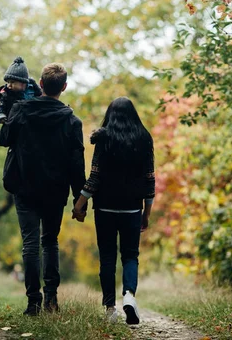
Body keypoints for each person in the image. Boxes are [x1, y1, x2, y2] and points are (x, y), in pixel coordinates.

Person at [0, 62, 86, 316]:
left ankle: (33, 302)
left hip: (24, 187)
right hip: (55, 191)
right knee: (50, 243)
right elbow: (77, 165)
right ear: (64, 87)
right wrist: (80, 198)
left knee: (30, 244)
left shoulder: (21, 110)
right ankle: (51, 300)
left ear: (41, 84)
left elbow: (3, 139)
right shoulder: (71, 120)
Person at [73, 97, 155, 325]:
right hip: (131, 209)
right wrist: (146, 214)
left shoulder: (104, 138)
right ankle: (129, 295)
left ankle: (110, 307)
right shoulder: (144, 138)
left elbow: (95, 177)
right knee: (130, 256)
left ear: (110, 115)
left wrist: (80, 202)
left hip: (105, 208)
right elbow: (150, 180)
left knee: (107, 256)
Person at [0, 57, 42, 124]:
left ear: (23, 83)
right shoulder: (6, 94)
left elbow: (40, 99)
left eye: (12, 82)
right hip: (15, 121)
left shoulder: (33, 89)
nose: (9, 85)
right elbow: (1, 106)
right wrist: (1, 116)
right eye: (8, 82)